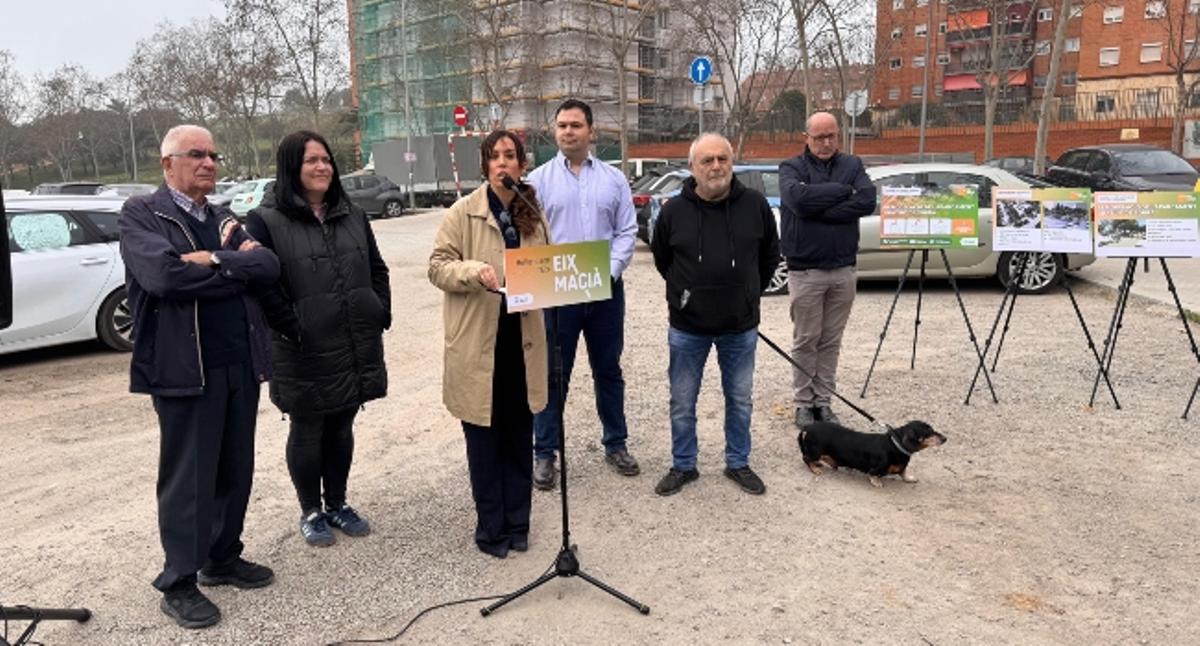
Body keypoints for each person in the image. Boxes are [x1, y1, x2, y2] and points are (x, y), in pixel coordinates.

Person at [120, 125, 280, 629]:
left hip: (239, 362)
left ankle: (222, 557)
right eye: (197, 155)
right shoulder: (143, 215)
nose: (209, 162)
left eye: (213, 154)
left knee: (235, 467)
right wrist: (235, 273)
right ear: (168, 164)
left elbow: (269, 266)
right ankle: (179, 581)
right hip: (184, 369)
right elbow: (164, 277)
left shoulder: (223, 218)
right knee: (189, 477)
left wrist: (213, 260)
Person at [243, 131, 391, 548]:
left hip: (352, 338)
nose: (322, 167)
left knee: (343, 421)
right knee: (309, 428)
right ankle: (311, 509)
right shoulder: (264, 220)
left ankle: (338, 503)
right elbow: (263, 286)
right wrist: (291, 325)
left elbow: (377, 269)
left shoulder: (352, 214)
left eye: (326, 159)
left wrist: (379, 310)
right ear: (292, 166)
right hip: (302, 345)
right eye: (311, 160)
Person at [429, 130, 550, 559]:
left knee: (519, 438)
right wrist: (474, 272)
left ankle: (518, 525)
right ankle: (491, 529)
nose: (503, 164)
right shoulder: (462, 213)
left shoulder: (533, 212)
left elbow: (546, 268)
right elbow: (438, 267)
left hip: (523, 343)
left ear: (521, 165)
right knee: (485, 443)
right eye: (495, 157)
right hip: (480, 345)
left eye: (511, 156)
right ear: (485, 165)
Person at [649, 134, 780, 496]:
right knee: (682, 401)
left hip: (740, 326)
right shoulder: (673, 211)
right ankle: (683, 464)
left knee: (739, 399)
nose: (716, 166)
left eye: (722, 158)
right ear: (692, 167)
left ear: (731, 162)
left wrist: (748, 293)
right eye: (707, 160)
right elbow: (664, 259)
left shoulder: (755, 205)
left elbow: (770, 255)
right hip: (688, 327)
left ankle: (738, 462)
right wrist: (687, 295)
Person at [526, 98, 640, 490]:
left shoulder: (613, 179)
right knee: (554, 373)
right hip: (558, 294)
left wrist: (608, 272)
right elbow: (528, 237)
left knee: (608, 369)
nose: (568, 132)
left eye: (575, 125)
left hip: (606, 291)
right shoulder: (537, 181)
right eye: (561, 126)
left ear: (591, 131)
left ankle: (616, 444)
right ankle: (544, 453)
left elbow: (627, 231)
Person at [779, 112, 876, 428]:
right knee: (806, 339)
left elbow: (867, 200)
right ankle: (803, 403)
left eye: (831, 135)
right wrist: (842, 192)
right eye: (819, 136)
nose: (826, 142)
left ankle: (824, 402)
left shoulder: (853, 164)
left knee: (831, 340)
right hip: (806, 271)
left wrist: (821, 207)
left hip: (843, 269)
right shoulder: (792, 167)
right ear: (805, 136)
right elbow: (798, 200)